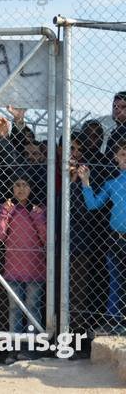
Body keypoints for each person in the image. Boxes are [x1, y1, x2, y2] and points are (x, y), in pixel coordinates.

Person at [0, 174, 47, 363]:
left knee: (33, 307)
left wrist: (37, 218)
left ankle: (31, 348)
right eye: (17, 185)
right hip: (13, 269)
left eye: (25, 185)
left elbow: (48, 239)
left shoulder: (39, 210)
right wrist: (5, 213)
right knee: (14, 309)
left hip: (35, 270)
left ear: (32, 188)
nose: (21, 189)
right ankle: (14, 348)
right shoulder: (9, 210)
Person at [78, 141, 126, 333]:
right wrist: (85, 182)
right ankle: (114, 322)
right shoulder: (112, 184)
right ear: (115, 158)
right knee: (115, 282)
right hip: (116, 239)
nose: (125, 158)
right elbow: (93, 205)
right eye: (123, 154)